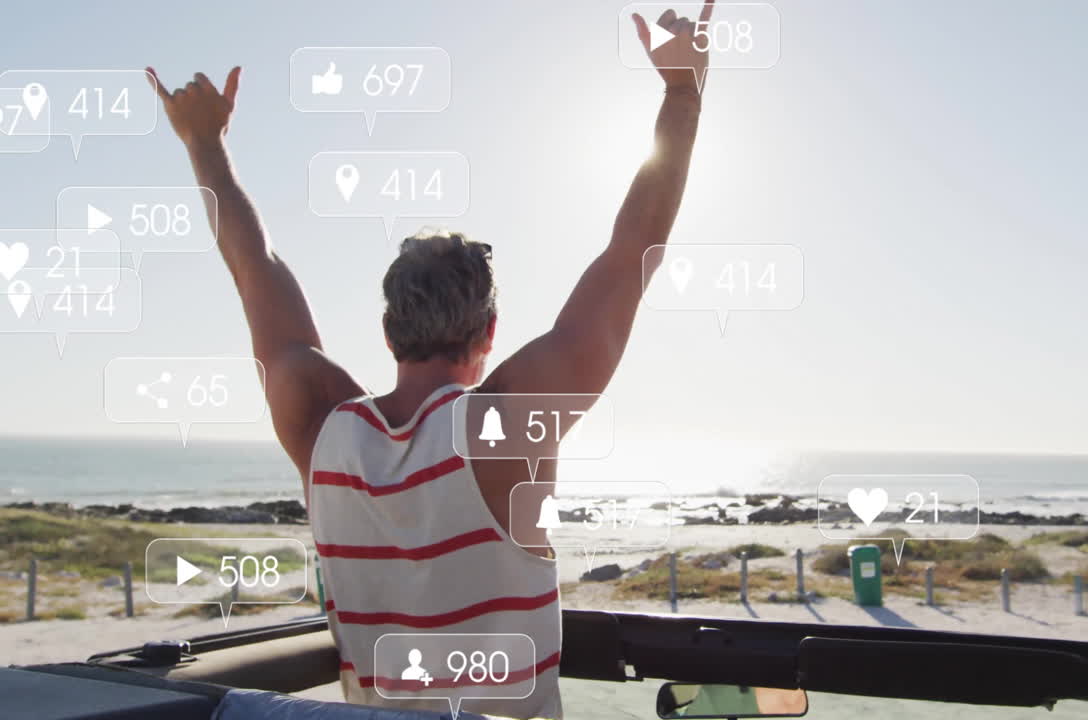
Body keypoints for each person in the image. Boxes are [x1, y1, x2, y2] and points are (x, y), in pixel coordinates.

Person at [147, 3, 713, 718]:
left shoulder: (321, 426)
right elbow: (634, 250)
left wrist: (204, 145)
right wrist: (683, 91)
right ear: (490, 332)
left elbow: (255, 268)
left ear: (388, 332)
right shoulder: (505, 427)